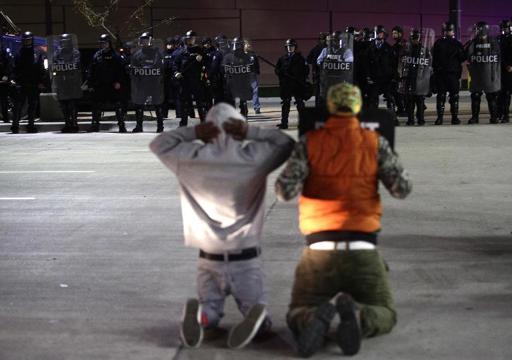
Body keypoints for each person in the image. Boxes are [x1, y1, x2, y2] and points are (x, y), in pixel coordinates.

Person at [275, 82, 412, 357]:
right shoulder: (375, 142)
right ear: (358, 108)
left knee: (297, 313)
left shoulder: (310, 142)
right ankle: (360, 318)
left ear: (330, 107)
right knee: (385, 312)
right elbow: (401, 189)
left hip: (318, 250)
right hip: (363, 248)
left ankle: (313, 320)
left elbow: (284, 192)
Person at [149, 102, 295, 349]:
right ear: (237, 128)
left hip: (209, 256)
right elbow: (286, 144)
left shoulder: (189, 159)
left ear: (208, 129)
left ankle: (203, 316)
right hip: (245, 256)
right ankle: (255, 320)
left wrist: (193, 133)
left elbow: (158, 144)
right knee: (258, 313)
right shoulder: (253, 159)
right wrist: (251, 132)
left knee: (211, 309)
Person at [87, 34, 128, 132]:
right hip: (100, 84)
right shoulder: (97, 55)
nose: (103, 45)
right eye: (102, 43)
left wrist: (119, 82)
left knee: (118, 105)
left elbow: (121, 70)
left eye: (105, 43)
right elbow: (91, 70)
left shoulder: (115, 55)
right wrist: (90, 84)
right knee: (96, 105)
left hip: (113, 85)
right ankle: (95, 125)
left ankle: (121, 126)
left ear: (109, 43)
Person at [465, 21, 501, 124]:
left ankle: (494, 117)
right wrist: (470, 42)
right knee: (475, 95)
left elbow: (497, 57)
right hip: (477, 74)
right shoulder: (474, 42)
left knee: (491, 96)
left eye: (477, 30)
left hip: (489, 74)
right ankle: (475, 118)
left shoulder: (492, 42)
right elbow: (467, 55)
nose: (476, 31)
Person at [11, 31, 46, 134]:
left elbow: (41, 69)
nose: (27, 42)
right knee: (17, 106)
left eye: (29, 40)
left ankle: (31, 125)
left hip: (33, 84)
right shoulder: (18, 53)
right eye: (25, 40)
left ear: (32, 40)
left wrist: (41, 81)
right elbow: (14, 68)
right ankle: (15, 126)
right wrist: (13, 79)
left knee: (32, 106)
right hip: (21, 83)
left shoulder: (36, 53)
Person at [130, 32, 165, 133]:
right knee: (138, 105)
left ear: (151, 41)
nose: (144, 42)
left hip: (154, 84)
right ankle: (139, 126)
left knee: (158, 105)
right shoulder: (137, 54)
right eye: (143, 40)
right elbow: (134, 69)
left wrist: (145, 68)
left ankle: (160, 126)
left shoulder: (157, 53)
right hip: (142, 84)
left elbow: (158, 66)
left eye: (146, 39)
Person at [432, 22, 465, 125]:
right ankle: (453, 118)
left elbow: (434, 59)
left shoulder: (438, 43)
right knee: (453, 96)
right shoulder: (457, 44)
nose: (448, 32)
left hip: (444, 73)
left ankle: (441, 118)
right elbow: (462, 58)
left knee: (442, 96)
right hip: (451, 74)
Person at [173, 30, 207, 127]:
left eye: (192, 39)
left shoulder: (200, 51)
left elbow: (207, 64)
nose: (190, 41)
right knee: (185, 103)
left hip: (196, 80)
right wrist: (176, 73)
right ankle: (183, 123)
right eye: (189, 39)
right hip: (184, 81)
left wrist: (202, 60)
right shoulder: (181, 51)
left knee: (200, 103)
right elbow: (175, 64)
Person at [275, 39, 309, 129]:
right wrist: (281, 72)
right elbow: (277, 70)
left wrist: (299, 78)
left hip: (297, 85)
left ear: (295, 47)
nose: (290, 48)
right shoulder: (282, 59)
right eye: (289, 46)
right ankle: (284, 123)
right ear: (286, 48)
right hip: (286, 85)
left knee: (300, 104)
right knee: (285, 104)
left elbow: (306, 71)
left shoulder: (300, 58)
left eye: (292, 46)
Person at [364, 25, 396, 116]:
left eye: (380, 33)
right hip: (374, 77)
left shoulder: (388, 47)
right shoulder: (369, 48)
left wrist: (393, 76)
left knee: (390, 97)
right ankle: (374, 117)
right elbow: (366, 63)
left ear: (384, 34)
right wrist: (368, 76)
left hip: (386, 77)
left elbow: (393, 63)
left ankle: (392, 116)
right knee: (373, 98)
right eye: (376, 33)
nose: (378, 35)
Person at [306, 32, 328, 107]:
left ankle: (319, 107)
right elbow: (308, 60)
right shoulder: (328, 49)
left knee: (318, 92)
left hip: (317, 74)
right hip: (321, 74)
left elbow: (308, 60)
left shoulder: (315, 48)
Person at [497, 20, 512, 123]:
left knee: (506, 93)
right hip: (500, 68)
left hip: (508, 69)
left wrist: (510, 65)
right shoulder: (499, 39)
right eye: (502, 28)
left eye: (505, 28)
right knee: (500, 93)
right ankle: (500, 113)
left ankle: (506, 115)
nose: (503, 30)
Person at [391, 26, 407, 117]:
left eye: (395, 33)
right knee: (396, 91)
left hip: (402, 73)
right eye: (393, 33)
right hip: (397, 72)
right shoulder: (395, 46)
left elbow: (403, 59)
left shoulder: (403, 45)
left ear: (400, 34)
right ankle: (401, 108)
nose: (394, 35)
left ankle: (403, 109)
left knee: (401, 92)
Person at [244, 40, 261, 114]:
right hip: (243, 75)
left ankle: (256, 107)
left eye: (248, 45)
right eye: (246, 45)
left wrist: (257, 71)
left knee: (255, 91)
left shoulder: (253, 55)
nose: (248, 46)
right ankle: (243, 108)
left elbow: (256, 64)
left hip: (252, 74)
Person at [0, 39, 14, 123]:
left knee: (3, 100)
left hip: (3, 82)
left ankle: (5, 117)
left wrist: (5, 76)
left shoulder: (4, 54)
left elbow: (8, 66)